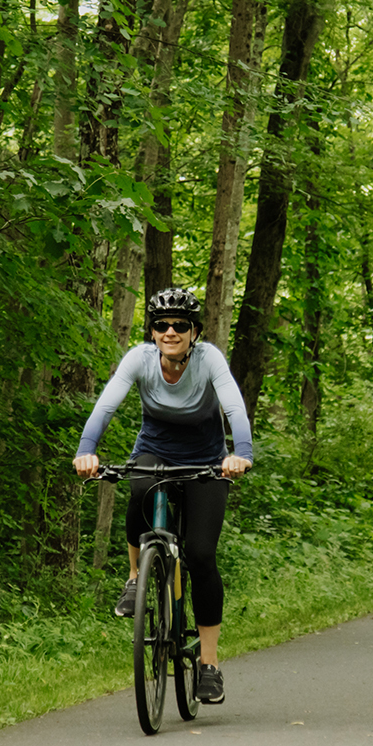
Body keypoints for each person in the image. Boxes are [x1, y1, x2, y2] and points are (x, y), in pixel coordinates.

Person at [72, 286, 253, 705]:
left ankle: (208, 665)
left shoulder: (209, 361)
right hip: (155, 452)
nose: (170, 331)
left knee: (202, 555)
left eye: (180, 325)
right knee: (137, 488)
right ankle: (136, 578)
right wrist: (86, 450)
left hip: (207, 460)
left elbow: (235, 409)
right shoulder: (140, 359)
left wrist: (239, 454)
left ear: (194, 332)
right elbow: (105, 407)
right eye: (161, 325)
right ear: (152, 332)